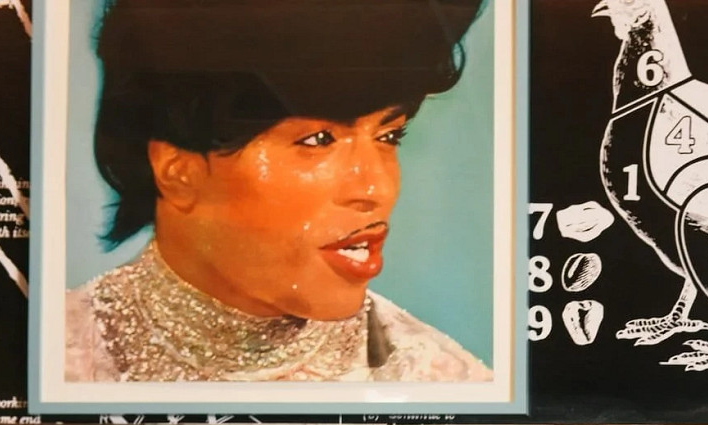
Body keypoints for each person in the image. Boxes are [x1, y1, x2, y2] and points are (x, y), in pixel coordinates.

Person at [63, 0, 493, 384]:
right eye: (318, 140)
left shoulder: (441, 380)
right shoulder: (59, 354)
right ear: (178, 171)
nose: (376, 189)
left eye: (390, 135)